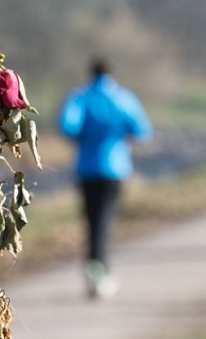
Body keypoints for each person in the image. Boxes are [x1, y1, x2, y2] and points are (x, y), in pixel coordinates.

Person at [58, 57, 152, 299]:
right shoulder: (123, 98)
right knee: (104, 220)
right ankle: (100, 270)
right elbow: (142, 130)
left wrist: (87, 136)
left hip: (87, 168)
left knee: (92, 220)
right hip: (116, 168)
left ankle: (95, 269)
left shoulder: (80, 97)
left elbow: (68, 127)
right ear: (112, 74)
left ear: (91, 73)